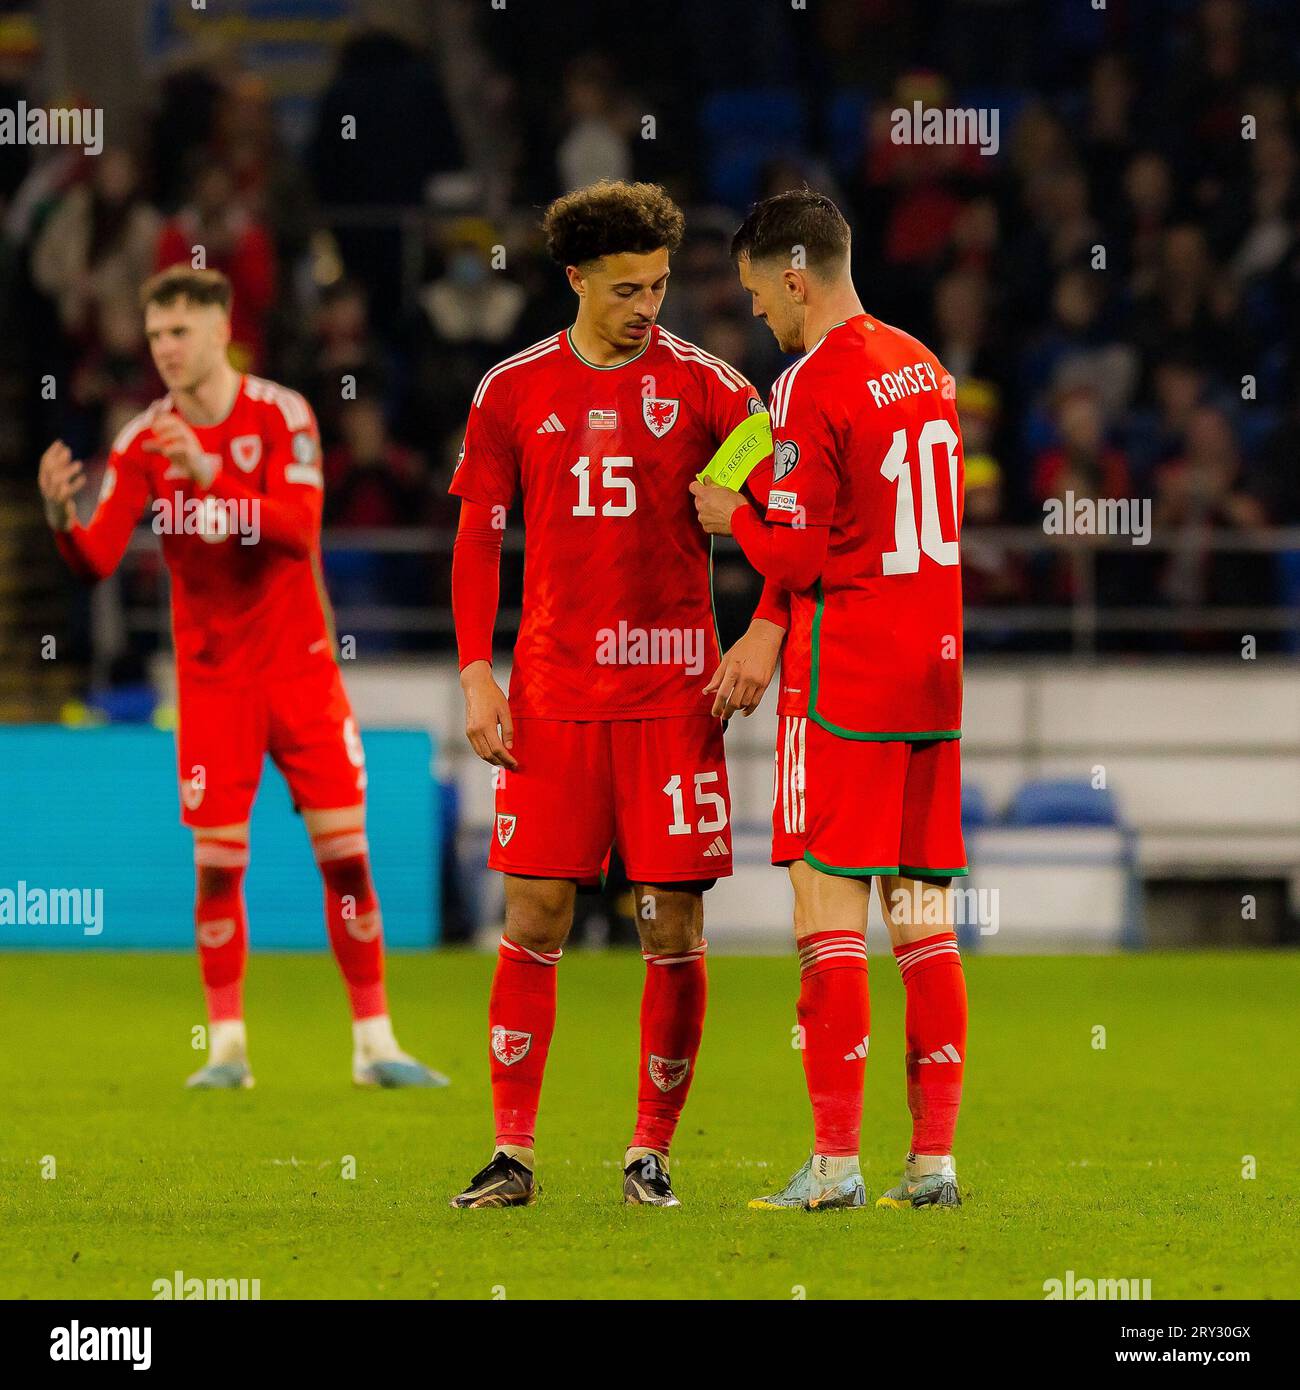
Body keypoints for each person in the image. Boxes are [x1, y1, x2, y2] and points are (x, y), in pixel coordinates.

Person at [448, 180, 785, 1208]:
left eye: (661, 284)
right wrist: (476, 671)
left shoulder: (715, 392)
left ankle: (651, 1151)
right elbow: (477, 540)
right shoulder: (511, 391)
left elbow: (787, 514)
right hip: (552, 694)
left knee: (671, 925)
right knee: (536, 913)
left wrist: (763, 629)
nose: (649, 304)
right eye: (629, 287)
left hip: (675, 697)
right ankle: (513, 1153)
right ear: (576, 281)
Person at [37, 265, 445, 1092]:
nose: (166, 350)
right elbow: (99, 559)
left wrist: (210, 475)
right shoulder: (141, 439)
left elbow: (298, 531)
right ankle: (226, 1047)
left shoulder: (282, 414)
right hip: (213, 682)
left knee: (347, 862)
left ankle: (375, 1042)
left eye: (180, 332)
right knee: (219, 866)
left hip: (299, 672)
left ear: (221, 330)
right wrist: (59, 518)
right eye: (154, 336)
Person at [692, 190, 969, 1210]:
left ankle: (836, 1163)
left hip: (847, 672)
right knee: (925, 916)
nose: (759, 312)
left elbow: (801, 553)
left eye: (760, 293)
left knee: (827, 912)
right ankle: (932, 1162)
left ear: (796, 277)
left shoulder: (810, 383)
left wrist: (736, 511)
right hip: (933, 673)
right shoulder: (923, 363)